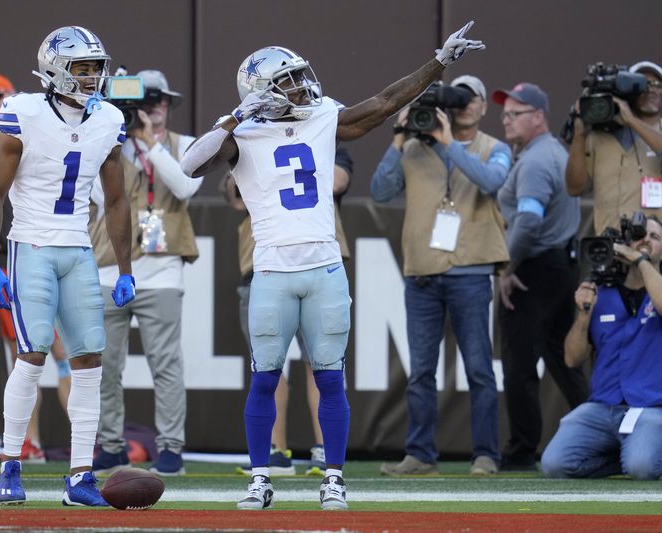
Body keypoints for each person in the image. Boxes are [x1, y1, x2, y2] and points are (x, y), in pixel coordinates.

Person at [181, 21, 485, 510]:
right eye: (289, 81)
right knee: (264, 377)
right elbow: (189, 166)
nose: (303, 87)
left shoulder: (322, 114)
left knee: (329, 378)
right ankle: (260, 479)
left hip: (324, 266)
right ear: (261, 92)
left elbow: (384, 103)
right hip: (273, 272)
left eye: (301, 77)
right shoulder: (243, 131)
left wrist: (439, 63)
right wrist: (236, 117)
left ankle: (334, 479)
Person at [0, 26, 134, 506]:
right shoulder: (23, 112)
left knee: (88, 360)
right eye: (82, 68)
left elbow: (116, 199)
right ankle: (10, 463)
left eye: (96, 68)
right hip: (32, 246)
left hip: (78, 250)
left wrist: (126, 267)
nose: (92, 77)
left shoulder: (107, 118)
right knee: (33, 354)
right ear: (55, 70)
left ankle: (80, 477)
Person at [371, 75, 511, 476]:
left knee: (479, 367)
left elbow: (491, 181)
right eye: (458, 97)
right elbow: (380, 192)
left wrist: (449, 142)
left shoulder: (495, 149)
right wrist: (398, 137)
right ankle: (420, 454)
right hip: (422, 273)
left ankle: (485, 454)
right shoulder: (413, 148)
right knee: (420, 371)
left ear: (484, 107)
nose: (465, 104)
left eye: (472, 98)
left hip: (470, 269)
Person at [90, 69, 202, 477]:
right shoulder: (106, 145)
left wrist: (151, 143)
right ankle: (111, 445)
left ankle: (171, 447)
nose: (152, 109)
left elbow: (186, 186)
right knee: (105, 366)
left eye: (159, 101)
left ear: (170, 105)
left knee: (166, 364)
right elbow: (92, 198)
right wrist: (114, 134)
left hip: (162, 271)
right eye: (144, 103)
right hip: (108, 269)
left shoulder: (183, 146)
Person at [0, 72, 71, 464]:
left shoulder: (46, 126)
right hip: (17, 255)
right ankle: (32, 442)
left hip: (56, 245)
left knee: (69, 352)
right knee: (27, 351)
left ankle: (85, 442)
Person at [227, 147, 353, 477]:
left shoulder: (325, 123)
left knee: (323, 365)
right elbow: (235, 196)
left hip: (319, 259)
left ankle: (325, 450)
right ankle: (275, 451)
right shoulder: (253, 132)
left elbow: (338, 181)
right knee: (268, 368)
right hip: (267, 262)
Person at [493, 82, 589, 470]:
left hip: (533, 270)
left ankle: (521, 451)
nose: (505, 119)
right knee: (566, 363)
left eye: (515, 113)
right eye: (504, 113)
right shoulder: (553, 153)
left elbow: (529, 222)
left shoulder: (534, 161)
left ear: (538, 117)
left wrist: (506, 269)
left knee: (519, 365)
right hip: (561, 267)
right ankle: (605, 432)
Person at [541, 215, 662, 480]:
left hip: (651, 406)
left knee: (641, 468)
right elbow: (572, 359)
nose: (646, 241)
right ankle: (627, 456)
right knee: (554, 464)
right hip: (603, 406)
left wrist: (639, 260)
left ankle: (641, 455)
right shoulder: (602, 291)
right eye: (641, 236)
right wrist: (583, 316)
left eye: (655, 237)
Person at [566, 61, 662, 235]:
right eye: (643, 84)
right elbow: (574, 188)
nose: (650, 89)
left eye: (657, 84)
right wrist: (579, 135)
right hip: (609, 249)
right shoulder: (599, 136)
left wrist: (632, 121)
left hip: (654, 250)